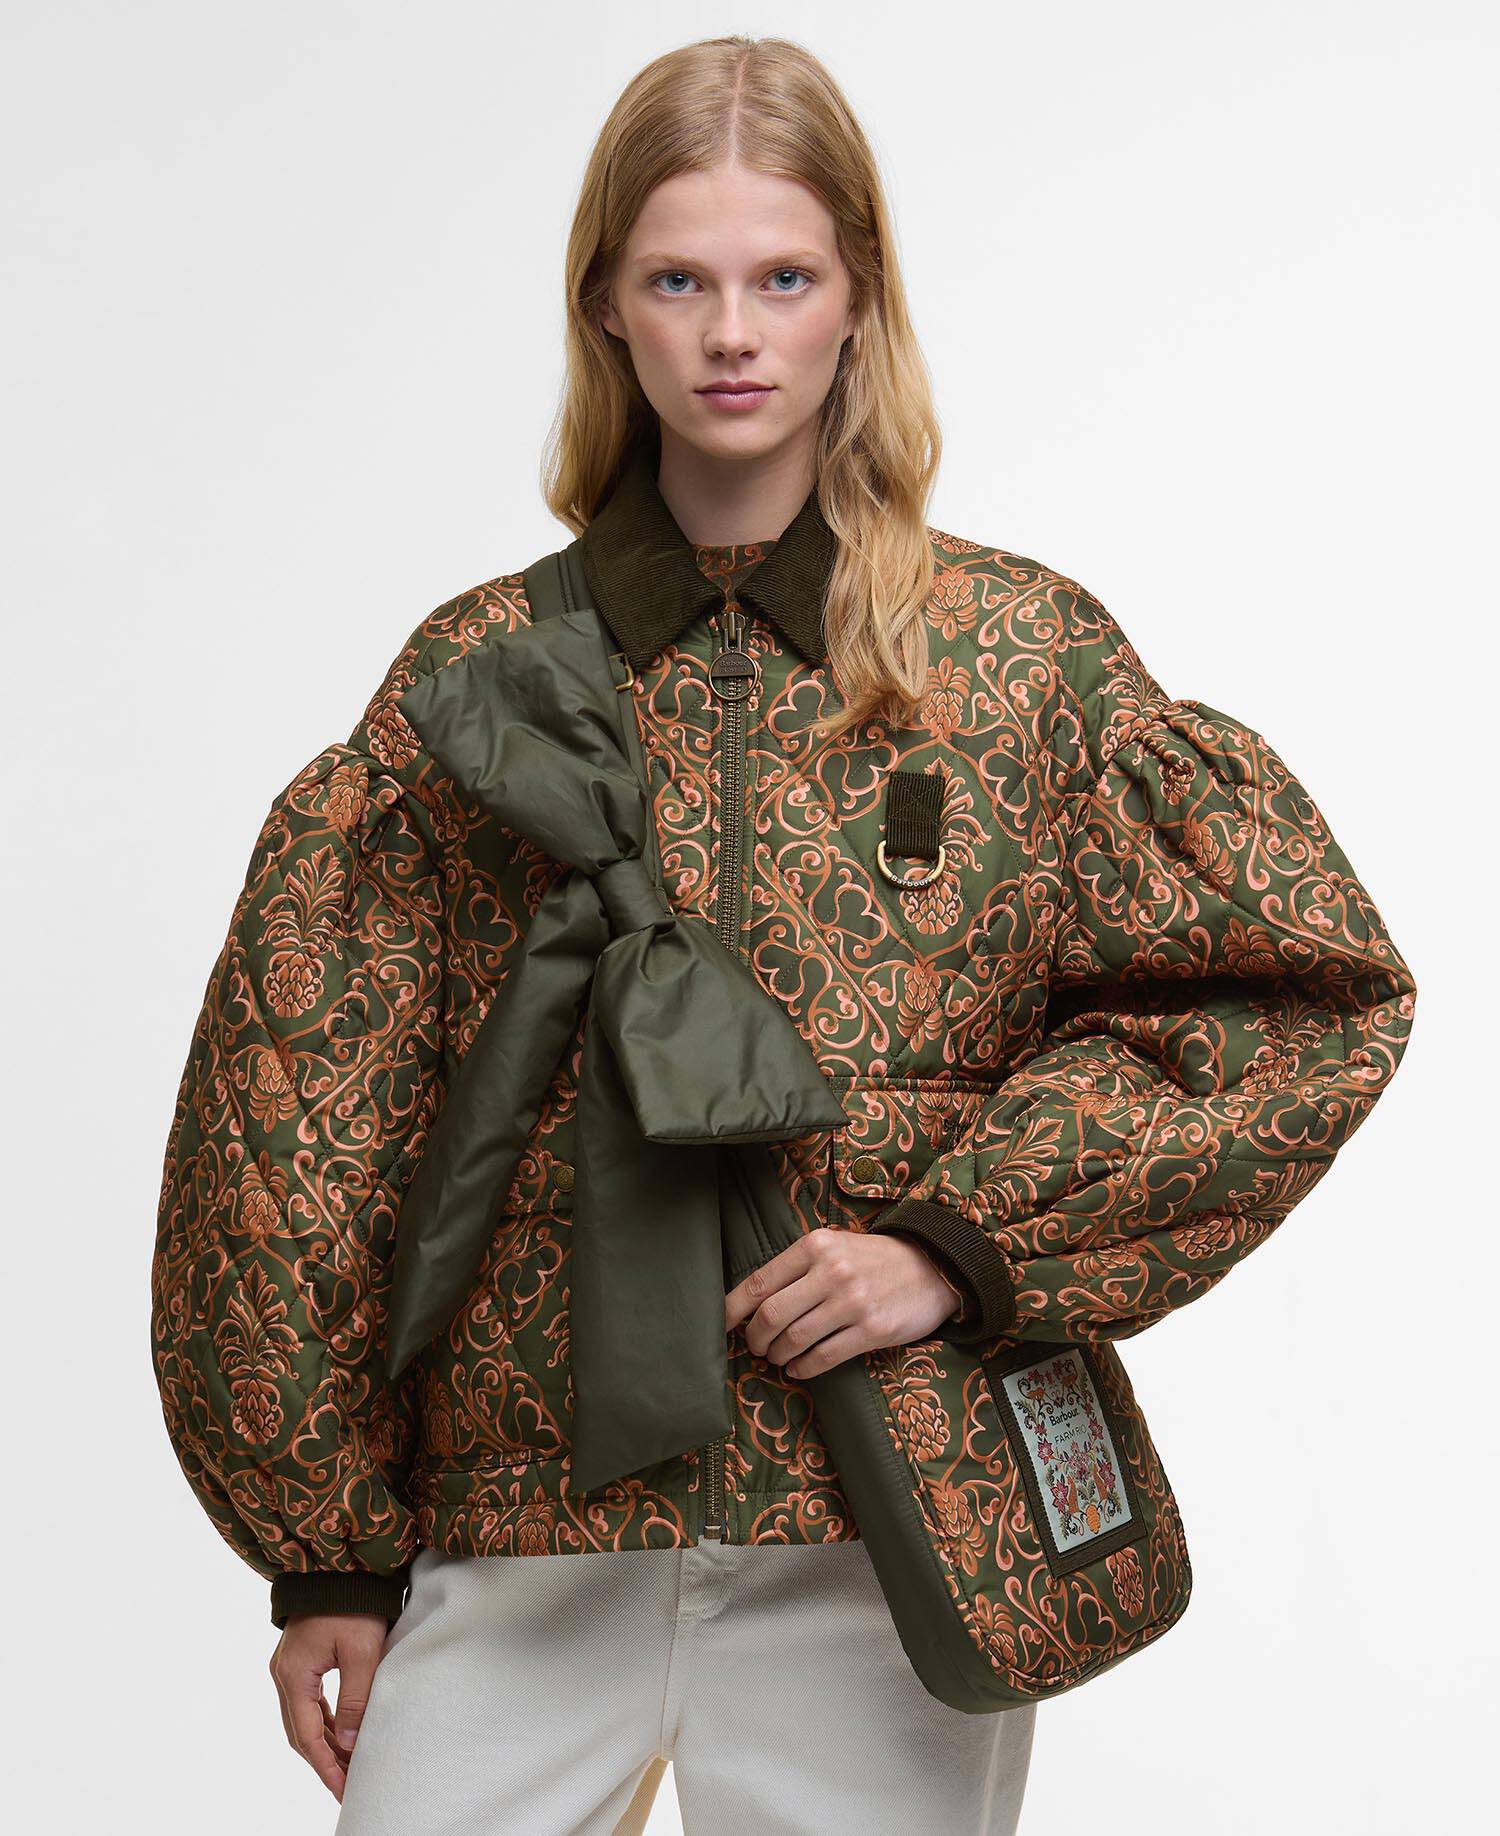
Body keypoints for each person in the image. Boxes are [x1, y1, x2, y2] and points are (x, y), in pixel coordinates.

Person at [149, 33, 1417, 1836]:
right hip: (524, 1525)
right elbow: (299, 1124)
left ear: (858, 302)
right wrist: (324, 1554)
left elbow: (1287, 997)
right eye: (679, 280)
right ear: (605, 308)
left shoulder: (1017, 662)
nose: (732, 335)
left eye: (784, 280)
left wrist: (955, 1250)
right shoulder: (480, 677)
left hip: (886, 1530)